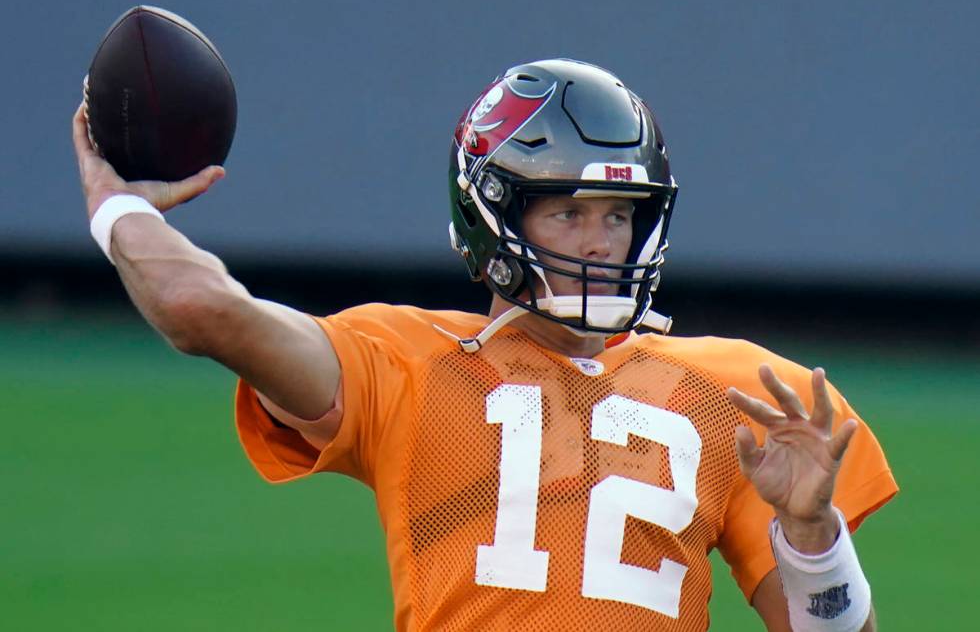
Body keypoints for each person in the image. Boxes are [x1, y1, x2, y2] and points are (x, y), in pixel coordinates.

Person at [73, 58, 896, 631]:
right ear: (495, 214)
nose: (602, 240)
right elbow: (198, 305)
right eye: (566, 211)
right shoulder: (404, 360)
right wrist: (120, 208)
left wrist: (813, 536)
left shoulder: (740, 392)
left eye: (618, 215)